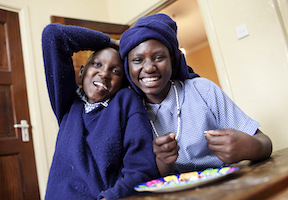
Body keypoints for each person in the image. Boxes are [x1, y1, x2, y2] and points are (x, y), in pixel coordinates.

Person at [119, 13, 272, 177]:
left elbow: (265, 143)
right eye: (138, 60)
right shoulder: (128, 111)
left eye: (159, 57)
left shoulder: (203, 90)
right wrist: (163, 163)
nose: (149, 68)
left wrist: (249, 147)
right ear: (127, 67)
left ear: (173, 60)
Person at [42, 23, 159, 200]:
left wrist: (110, 197)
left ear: (123, 83)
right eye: (97, 64)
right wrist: (110, 42)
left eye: (115, 71)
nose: (104, 73)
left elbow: (142, 167)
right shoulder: (68, 103)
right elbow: (54, 34)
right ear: (81, 73)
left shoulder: (125, 101)